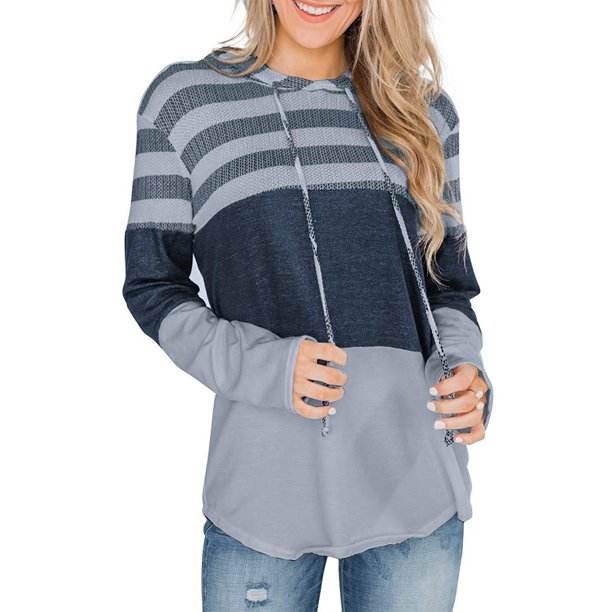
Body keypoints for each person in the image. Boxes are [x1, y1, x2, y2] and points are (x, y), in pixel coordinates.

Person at [122, 0, 493, 609]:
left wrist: (465, 372)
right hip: (263, 495)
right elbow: (152, 285)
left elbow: (446, 287)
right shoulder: (185, 104)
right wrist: (266, 365)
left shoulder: (425, 113)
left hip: (415, 488)